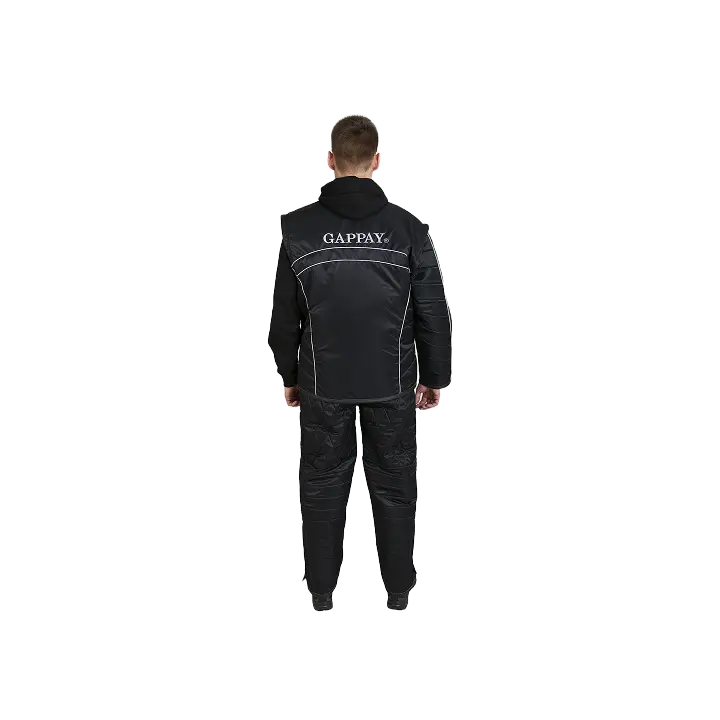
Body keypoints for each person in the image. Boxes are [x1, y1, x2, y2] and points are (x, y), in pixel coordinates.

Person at [269, 112, 452, 612]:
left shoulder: (298, 228)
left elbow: (283, 320)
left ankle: (321, 597)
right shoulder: (408, 229)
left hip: (323, 382)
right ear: (377, 161)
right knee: (394, 486)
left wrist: (291, 376)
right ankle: (398, 596)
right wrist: (435, 378)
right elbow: (433, 312)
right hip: (391, 381)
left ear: (330, 160)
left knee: (322, 485)